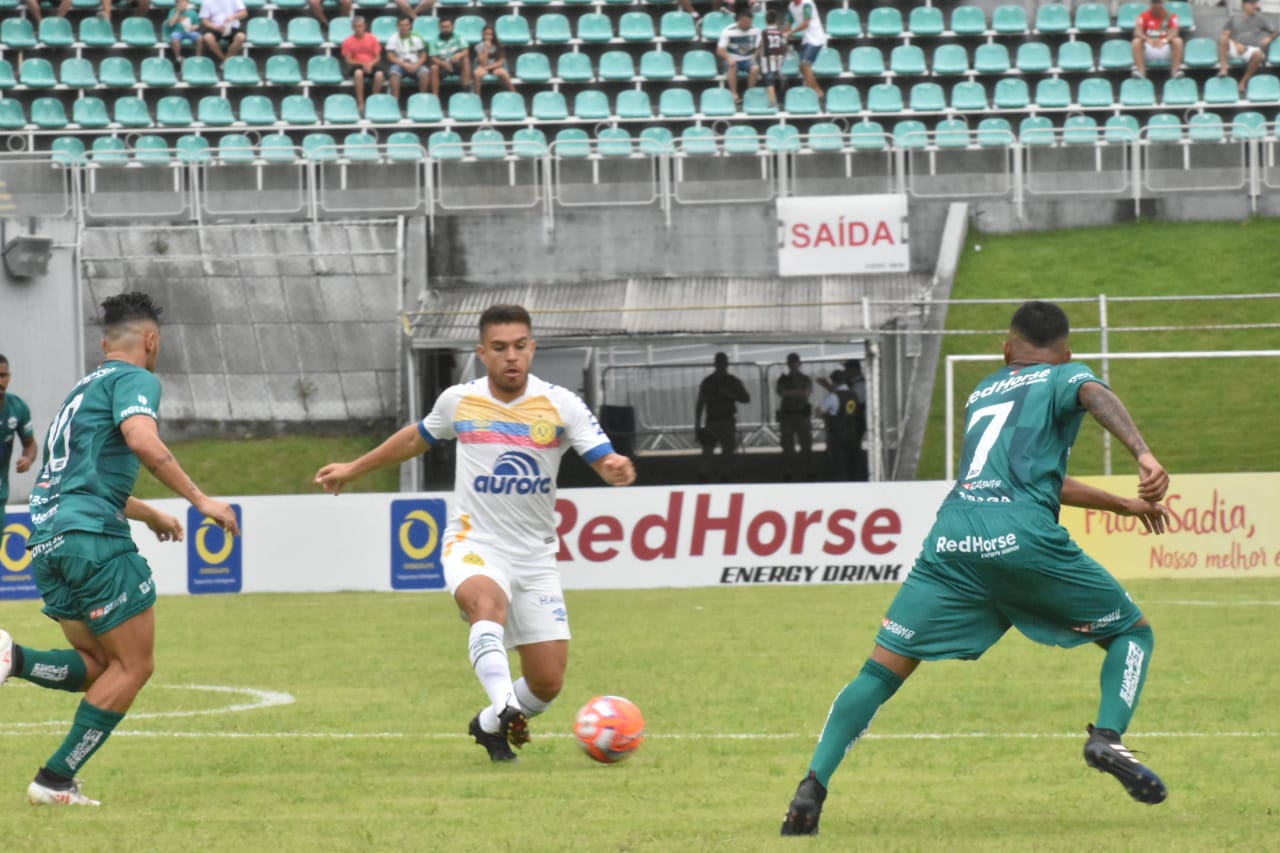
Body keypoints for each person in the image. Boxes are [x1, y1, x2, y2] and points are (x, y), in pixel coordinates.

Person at [780, 301, 1172, 836]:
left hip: (952, 539)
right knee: (1133, 633)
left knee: (881, 669)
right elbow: (1092, 393)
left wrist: (1123, 505)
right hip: (1022, 539)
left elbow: (1037, 475)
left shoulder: (983, 391)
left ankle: (812, 787)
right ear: (1067, 353)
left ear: (1006, 348)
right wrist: (1143, 456)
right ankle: (1107, 735)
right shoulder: (1066, 375)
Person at [315, 304, 635, 763]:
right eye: (500, 348)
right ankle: (505, 704)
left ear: (533, 348)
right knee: (488, 604)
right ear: (482, 352)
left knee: (546, 684)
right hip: (474, 543)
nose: (512, 357)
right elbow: (415, 438)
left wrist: (614, 468)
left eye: (520, 347)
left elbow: (601, 454)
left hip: (536, 557)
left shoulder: (560, 403)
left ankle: (488, 724)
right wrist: (354, 467)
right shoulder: (459, 401)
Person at [0, 292, 240, 807]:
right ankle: (55, 779)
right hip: (93, 540)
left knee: (99, 662)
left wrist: (150, 513)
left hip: (46, 540)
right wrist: (200, 499)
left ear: (106, 343)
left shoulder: (80, 391)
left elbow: (74, 479)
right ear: (150, 340)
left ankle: (12, 658)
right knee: (135, 667)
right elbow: (142, 440)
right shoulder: (138, 380)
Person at [694, 352, 751, 482]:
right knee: (709, 451)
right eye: (719, 363)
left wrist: (731, 395)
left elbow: (746, 398)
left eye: (722, 363)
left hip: (725, 420)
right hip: (714, 421)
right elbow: (700, 403)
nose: (721, 366)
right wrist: (697, 425)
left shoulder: (730, 381)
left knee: (726, 451)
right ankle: (707, 475)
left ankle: (723, 475)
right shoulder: (710, 382)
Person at [0, 354, 37, 531]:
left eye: (3, 376)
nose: (0, 381)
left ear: (9, 377)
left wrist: (27, 459)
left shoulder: (18, 408)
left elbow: (29, 443)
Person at [1218, 0, 1278, 95]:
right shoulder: (1234, 18)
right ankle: (1224, 68)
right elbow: (1226, 34)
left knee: (1258, 55)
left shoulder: (1260, 18)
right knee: (1223, 38)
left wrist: (1269, 39)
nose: (1255, 6)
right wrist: (1236, 43)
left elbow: (1275, 31)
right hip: (1236, 48)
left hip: (1251, 49)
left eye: (1256, 3)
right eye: (1252, 3)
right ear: (1243, 5)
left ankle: (1243, 82)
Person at [817, 369, 866, 482]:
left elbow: (819, 412)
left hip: (837, 435)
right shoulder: (854, 394)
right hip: (852, 433)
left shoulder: (834, 397)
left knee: (839, 465)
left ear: (833, 382)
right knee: (853, 461)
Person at [775, 353, 813, 481]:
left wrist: (791, 393)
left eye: (795, 362)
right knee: (787, 446)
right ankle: (788, 471)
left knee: (806, 445)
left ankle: (807, 470)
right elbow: (781, 392)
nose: (793, 364)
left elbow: (806, 394)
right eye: (791, 362)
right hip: (787, 416)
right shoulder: (783, 379)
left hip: (802, 415)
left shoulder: (805, 379)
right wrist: (797, 392)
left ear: (799, 363)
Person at [717, 9, 762, 106]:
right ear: (740, 20)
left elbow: (759, 45)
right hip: (733, 59)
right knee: (732, 65)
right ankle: (734, 94)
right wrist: (728, 58)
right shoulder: (728, 31)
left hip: (748, 59)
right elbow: (720, 50)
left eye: (750, 22)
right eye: (746, 23)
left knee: (755, 68)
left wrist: (755, 56)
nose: (748, 25)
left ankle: (750, 93)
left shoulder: (755, 30)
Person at [783, 0, 827, 100]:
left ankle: (818, 93)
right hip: (807, 39)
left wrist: (791, 32)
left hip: (816, 39)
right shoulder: (791, 6)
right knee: (802, 67)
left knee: (805, 65)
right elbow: (789, 23)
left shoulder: (807, 3)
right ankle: (811, 90)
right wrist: (784, 34)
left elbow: (806, 24)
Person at [342, 16, 386, 114]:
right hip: (357, 65)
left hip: (371, 64)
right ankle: (361, 103)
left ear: (364, 26)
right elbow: (349, 60)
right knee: (358, 73)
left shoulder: (372, 38)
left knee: (379, 75)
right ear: (353, 28)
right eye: (356, 27)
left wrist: (370, 64)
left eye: (360, 26)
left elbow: (378, 57)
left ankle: (373, 102)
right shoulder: (348, 41)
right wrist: (363, 64)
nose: (358, 29)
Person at [1131, 0, 1184, 80]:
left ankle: (1175, 72)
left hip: (1164, 48)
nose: (1156, 5)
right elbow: (1137, 32)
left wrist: (1164, 41)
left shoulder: (1171, 16)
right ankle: (1141, 72)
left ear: (1163, 3)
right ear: (1151, 3)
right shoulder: (1143, 16)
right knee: (1136, 41)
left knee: (1178, 41)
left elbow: (1175, 32)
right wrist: (1148, 39)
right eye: (1154, 2)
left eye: (1158, 2)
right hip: (1149, 48)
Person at [386, 15, 431, 101]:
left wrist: (416, 65)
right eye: (401, 25)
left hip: (415, 63)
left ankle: (422, 99)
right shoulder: (393, 38)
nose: (404, 27)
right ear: (397, 26)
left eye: (406, 25)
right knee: (394, 73)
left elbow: (423, 55)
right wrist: (404, 64)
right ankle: (395, 100)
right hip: (400, 64)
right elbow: (390, 56)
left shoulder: (417, 37)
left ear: (410, 25)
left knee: (425, 72)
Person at [430, 18, 472, 98]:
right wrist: (443, 63)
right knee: (433, 67)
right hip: (443, 66)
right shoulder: (434, 40)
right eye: (443, 27)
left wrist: (459, 55)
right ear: (439, 28)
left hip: (456, 64)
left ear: (452, 27)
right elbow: (433, 58)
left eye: (448, 27)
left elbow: (466, 51)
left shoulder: (459, 36)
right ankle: (435, 96)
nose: (446, 29)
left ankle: (466, 90)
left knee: (465, 60)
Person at [199, 0, 248, 65]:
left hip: (233, 26)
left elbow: (244, 13)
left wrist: (233, 17)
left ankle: (225, 61)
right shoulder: (207, 1)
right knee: (208, 37)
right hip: (215, 27)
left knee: (241, 37)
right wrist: (215, 27)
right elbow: (205, 20)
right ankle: (225, 60)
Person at [472, 26, 515, 95]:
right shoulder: (479, 46)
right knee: (476, 74)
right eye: (486, 34)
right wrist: (486, 49)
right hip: (483, 67)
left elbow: (500, 62)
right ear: (483, 34)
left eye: (490, 34)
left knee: (504, 73)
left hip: (495, 67)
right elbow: (483, 63)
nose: (488, 36)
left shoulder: (499, 45)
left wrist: (488, 68)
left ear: (494, 35)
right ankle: (477, 97)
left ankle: (514, 93)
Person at [760, 9, 789, 107]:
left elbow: (761, 45)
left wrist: (755, 56)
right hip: (779, 57)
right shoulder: (780, 33)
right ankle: (781, 98)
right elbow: (784, 46)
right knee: (776, 74)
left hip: (768, 57)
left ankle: (772, 101)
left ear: (765, 20)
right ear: (776, 20)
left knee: (769, 78)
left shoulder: (764, 32)